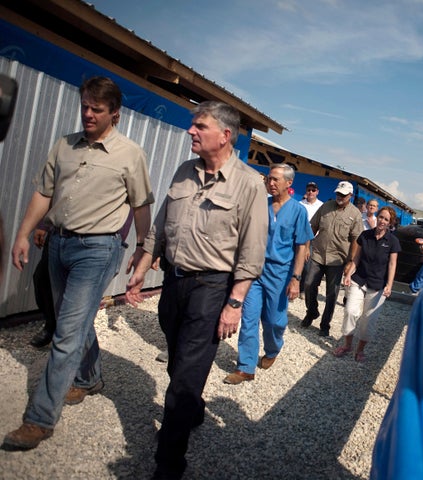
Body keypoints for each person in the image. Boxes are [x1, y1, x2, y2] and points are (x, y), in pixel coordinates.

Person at [3, 76, 154, 451]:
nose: (87, 114)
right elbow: (43, 191)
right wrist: (23, 233)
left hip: (98, 250)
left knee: (67, 332)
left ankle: (39, 418)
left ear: (114, 114)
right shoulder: (65, 145)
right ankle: (89, 379)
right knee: (73, 318)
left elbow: (141, 205)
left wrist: (142, 249)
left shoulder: (130, 154)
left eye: (96, 109)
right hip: (58, 243)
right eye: (84, 105)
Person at [125, 100, 267, 479]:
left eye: (199, 126)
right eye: (192, 125)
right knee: (177, 360)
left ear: (225, 135)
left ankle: (169, 463)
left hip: (212, 286)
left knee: (187, 371)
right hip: (174, 282)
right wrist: (142, 266)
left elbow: (252, 252)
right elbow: (160, 225)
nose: (191, 131)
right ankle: (193, 407)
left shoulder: (250, 183)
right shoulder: (184, 170)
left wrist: (234, 303)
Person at [224, 163, 313, 384]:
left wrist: (296, 278)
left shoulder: (298, 211)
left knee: (274, 321)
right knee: (249, 318)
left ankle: (273, 349)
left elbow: (302, 246)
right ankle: (245, 367)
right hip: (254, 270)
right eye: (268, 179)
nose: (270, 183)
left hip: (280, 273)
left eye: (275, 180)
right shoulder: (259, 206)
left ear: (289, 183)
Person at [334, 206, 400, 362]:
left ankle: (360, 350)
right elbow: (356, 258)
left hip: (378, 285)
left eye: (386, 219)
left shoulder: (392, 241)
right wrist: (349, 274)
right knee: (350, 311)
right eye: (381, 217)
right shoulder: (365, 235)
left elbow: (392, 264)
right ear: (376, 217)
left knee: (368, 320)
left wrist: (389, 285)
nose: (382, 221)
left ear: (390, 223)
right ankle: (347, 345)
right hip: (360, 280)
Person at [301, 180, 363, 337]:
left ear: (350, 195)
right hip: (318, 253)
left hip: (338, 258)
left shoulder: (355, 214)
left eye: (343, 195)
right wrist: (307, 247)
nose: (340, 197)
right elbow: (312, 226)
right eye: (338, 193)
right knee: (308, 284)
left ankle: (325, 324)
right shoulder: (325, 207)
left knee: (331, 293)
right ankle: (312, 311)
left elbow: (356, 239)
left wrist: (350, 262)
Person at [28, 224, 56, 348]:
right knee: (42, 278)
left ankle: (66, 335)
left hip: (98, 240)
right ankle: (51, 325)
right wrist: (44, 226)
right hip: (59, 231)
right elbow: (52, 203)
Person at [299, 181, 323, 295]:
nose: (311, 192)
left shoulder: (321, 206)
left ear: (317, 192)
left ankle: (303, 289)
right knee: (297, 262)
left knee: (308, 266)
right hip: (300, 237)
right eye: (309, 190)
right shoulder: (300, 204)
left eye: (313, 190)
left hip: (314, 239)